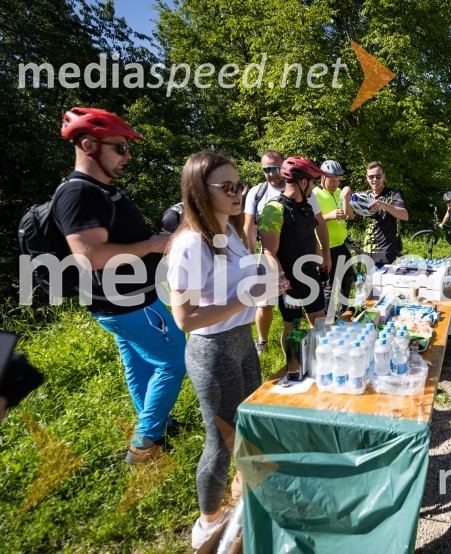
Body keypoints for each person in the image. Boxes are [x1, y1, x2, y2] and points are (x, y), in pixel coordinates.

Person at [166, 151, 287, 549]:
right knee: (221, 443)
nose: (239, 192)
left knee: (249, 427)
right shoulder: (189, 243)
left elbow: (242, 284)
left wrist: (268, 283)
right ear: (200, 191)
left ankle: (243, 495)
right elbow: (185, 318)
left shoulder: (232, 232)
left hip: (240, 341)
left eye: (240, 185)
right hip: (212, 349)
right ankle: (207, 523)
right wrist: (248, 296)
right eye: (229, 187)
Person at [54, 107, 186, 464]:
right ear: (88, 145)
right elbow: (91, 255)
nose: (127, 156)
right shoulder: (80, 193)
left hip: (118, 303)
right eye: (120, 148)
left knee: (139, 365)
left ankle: (157, 422)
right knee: (174, 360)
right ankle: (144, 444)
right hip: (129, 303)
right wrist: (153, 245)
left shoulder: (99, 190)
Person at [243, 150, 331, 355]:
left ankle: (316, 363)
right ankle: (292, 368)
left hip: (309, 274)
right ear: (302, 182)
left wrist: (322, 261)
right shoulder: (274, 209)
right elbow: (269, 252)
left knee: (319, 324)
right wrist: (283, 281)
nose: (314, 186)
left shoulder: (306, 207)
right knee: (291, 328)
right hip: (288, 278)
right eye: (312, 181)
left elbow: (311, 237)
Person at [313, 160, 355, 312]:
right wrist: (329, 216)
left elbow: (350, 216)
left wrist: (347, 198)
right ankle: (325, 318)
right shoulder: (314, 194)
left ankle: (344, 311)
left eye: (338, 180)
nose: (335, 184)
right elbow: (309, 220)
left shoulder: (338, 193)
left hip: (341, 244)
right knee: (329, 286)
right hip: (326, 247)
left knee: (349, 277)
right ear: (322, 178)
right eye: (332, 180)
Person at [363, 161, 409, 266]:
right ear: (367, 178)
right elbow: (349, 215)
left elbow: (405, 215)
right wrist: (346, 194)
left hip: (385, 251)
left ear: (384, 176)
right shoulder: (365, 195)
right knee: (369, 282)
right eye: (371, 177)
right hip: (367, 250)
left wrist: (383, 205)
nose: (374, 180)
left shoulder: (393, 194)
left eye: (378, 176)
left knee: (384, 282)